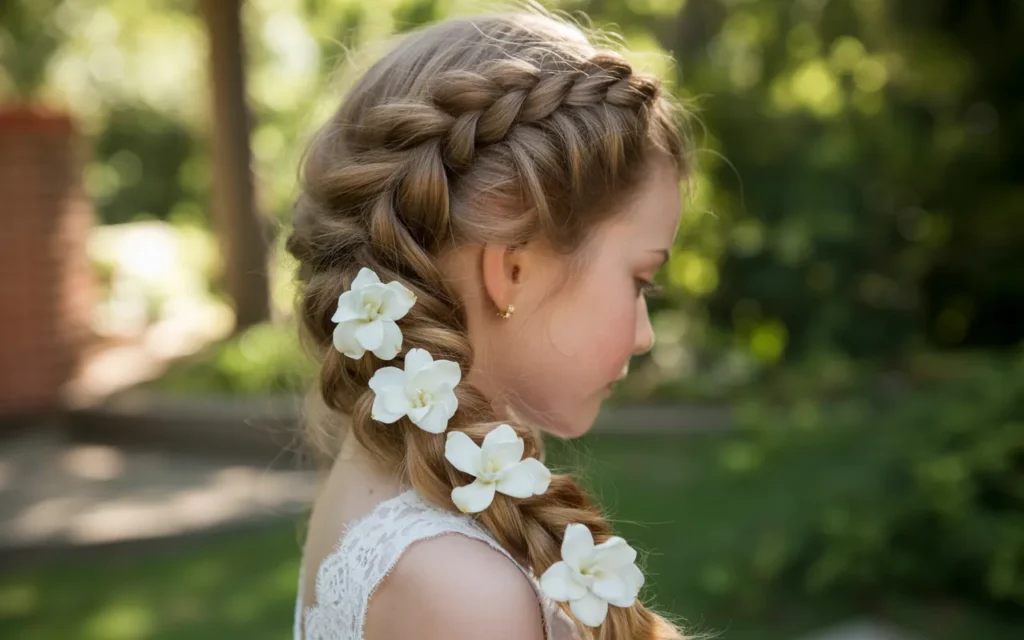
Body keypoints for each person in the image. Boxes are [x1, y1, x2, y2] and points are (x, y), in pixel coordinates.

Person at [287, 9, 690, 640]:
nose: (645, 334)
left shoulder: (388, 488)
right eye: (639, 280)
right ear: (513, 269)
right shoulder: (463, 594)